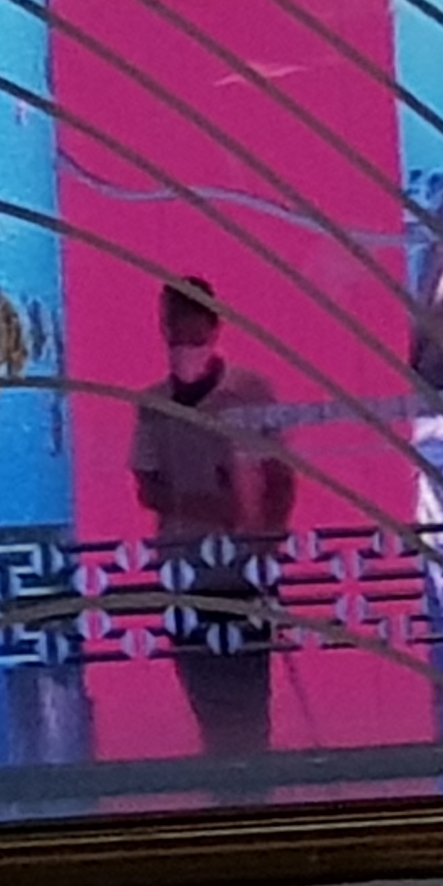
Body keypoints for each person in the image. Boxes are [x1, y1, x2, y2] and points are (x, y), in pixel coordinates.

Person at [125, 279, 295, 759]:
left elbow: (281, 478)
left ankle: (253, 785)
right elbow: (147, 485)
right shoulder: (153, 403)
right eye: (173, 322)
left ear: (214, 325)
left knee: (249, 695)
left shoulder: (249, 393)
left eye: (192, 321)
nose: (182, 333)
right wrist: (209, 506)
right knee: (204, 694)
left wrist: (267, 543)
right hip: (183, 570)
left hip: (243, 572)